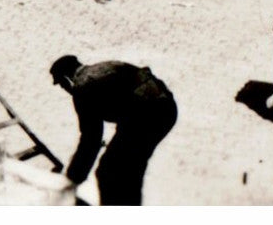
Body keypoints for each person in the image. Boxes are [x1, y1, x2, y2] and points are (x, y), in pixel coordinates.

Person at [50, 56, 178, 205]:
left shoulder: (82, 88)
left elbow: (91, 138)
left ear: (67, 78)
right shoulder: (106, 65)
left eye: (62, 84)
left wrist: (73, 177)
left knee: (108, 172)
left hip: (145, 117)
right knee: (128, 169)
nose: (65, 89)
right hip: (165, 108)